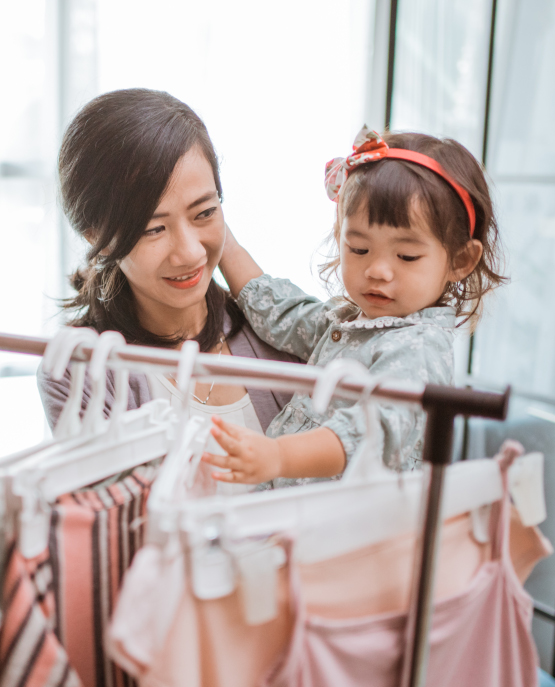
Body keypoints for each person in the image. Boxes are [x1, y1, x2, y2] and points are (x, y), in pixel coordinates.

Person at [208, 126, 506, 488]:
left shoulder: (419, 349)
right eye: (359, 249)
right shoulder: (354, 321)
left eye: (407, 256)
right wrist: (225, 245)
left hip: (350, 531)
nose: (377, 271)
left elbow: (373, 432)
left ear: (460, 260)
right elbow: (285, 314)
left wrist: (280, 456)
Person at [37, 88, 301, 437]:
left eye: (205, 212)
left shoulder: (284, 336)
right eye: (153, 229)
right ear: (95, 238)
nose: (190, 253)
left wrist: (229, 251)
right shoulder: (83, 369)